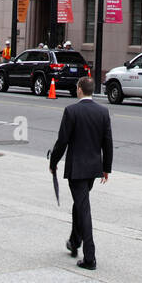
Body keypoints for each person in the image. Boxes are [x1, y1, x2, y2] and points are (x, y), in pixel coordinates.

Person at [49, 75, 113, 271]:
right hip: (93, 169)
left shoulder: (71, 111)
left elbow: (62, 141)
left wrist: (53, 162)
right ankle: (74, 241)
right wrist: (106, 168)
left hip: (77, 169)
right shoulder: (103, 111)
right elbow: (107, 142)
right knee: (80, 204)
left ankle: (90, 257)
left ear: (79, 89)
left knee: (83, 209)